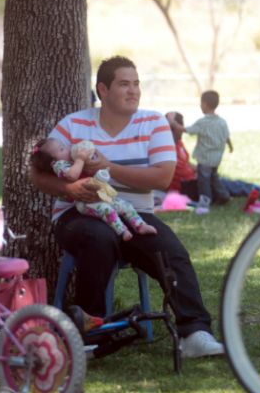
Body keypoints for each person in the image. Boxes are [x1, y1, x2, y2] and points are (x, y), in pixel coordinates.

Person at [30, 55, 225, 358]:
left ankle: (195, 332)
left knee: (170, 250)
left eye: (136, 84)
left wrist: (109, 167)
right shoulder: (73, 124)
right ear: (103, 90)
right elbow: (37, 174)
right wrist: (71, 189)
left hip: (135, 215)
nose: (133, 90)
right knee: (100, 238)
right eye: (124, 84)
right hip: (78, 213)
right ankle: (89, 334)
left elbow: (162, 178)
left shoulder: (153, 122)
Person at [30, 137, 157, 242]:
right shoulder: (60, 166)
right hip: (85, 203)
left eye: (64, 146)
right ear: (53, 162)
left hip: (99, 195)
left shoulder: (71, 161)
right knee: (107, 210)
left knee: (126, 206)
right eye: (62, 149)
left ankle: (140, 225)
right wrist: (80, 159)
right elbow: (72, 175)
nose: (68, 149)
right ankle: (122, 231)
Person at [164, 111, 260, 204]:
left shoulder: (178, 143)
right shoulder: (167, 149)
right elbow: (180, 174)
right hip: (190, 187)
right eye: (178, 127)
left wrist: (199, 169)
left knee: (235, 184)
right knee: (234, 186)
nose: (181, 130)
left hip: (197, 179)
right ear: (172, 129)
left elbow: (187, 164)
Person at [168, 91, 232, 214]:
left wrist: (173, 123)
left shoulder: (203, 122)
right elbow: (227, 136)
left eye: (200, 104)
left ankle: (204, 204)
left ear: (205, 104)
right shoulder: (222, 122)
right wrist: (230, 146)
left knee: (204, 183)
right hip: (216, 159)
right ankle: (224, 196)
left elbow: (186, 129)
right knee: (214, 178)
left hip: (204, 159)